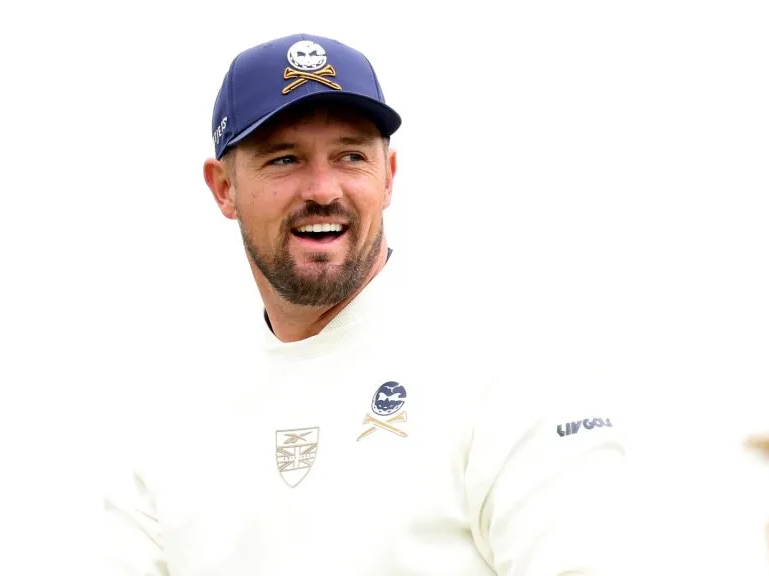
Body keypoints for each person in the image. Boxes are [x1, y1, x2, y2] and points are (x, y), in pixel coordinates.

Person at [102, 32, 632, 576]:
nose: (323, 189)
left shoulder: (513, 371)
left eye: (351, 156)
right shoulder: (169, 417)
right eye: (284, 159)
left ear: (388, 177)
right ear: (223, 188)